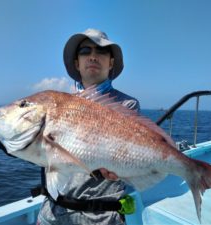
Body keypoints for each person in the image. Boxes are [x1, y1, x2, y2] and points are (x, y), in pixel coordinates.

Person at [37, 28, 140, 225]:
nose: (93, 56)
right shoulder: (54, 104)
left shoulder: (127, 105)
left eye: (101, 51)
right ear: (77, 62)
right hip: (53, 211)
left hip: (101, 217)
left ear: (111, 63)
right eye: (85, 51)